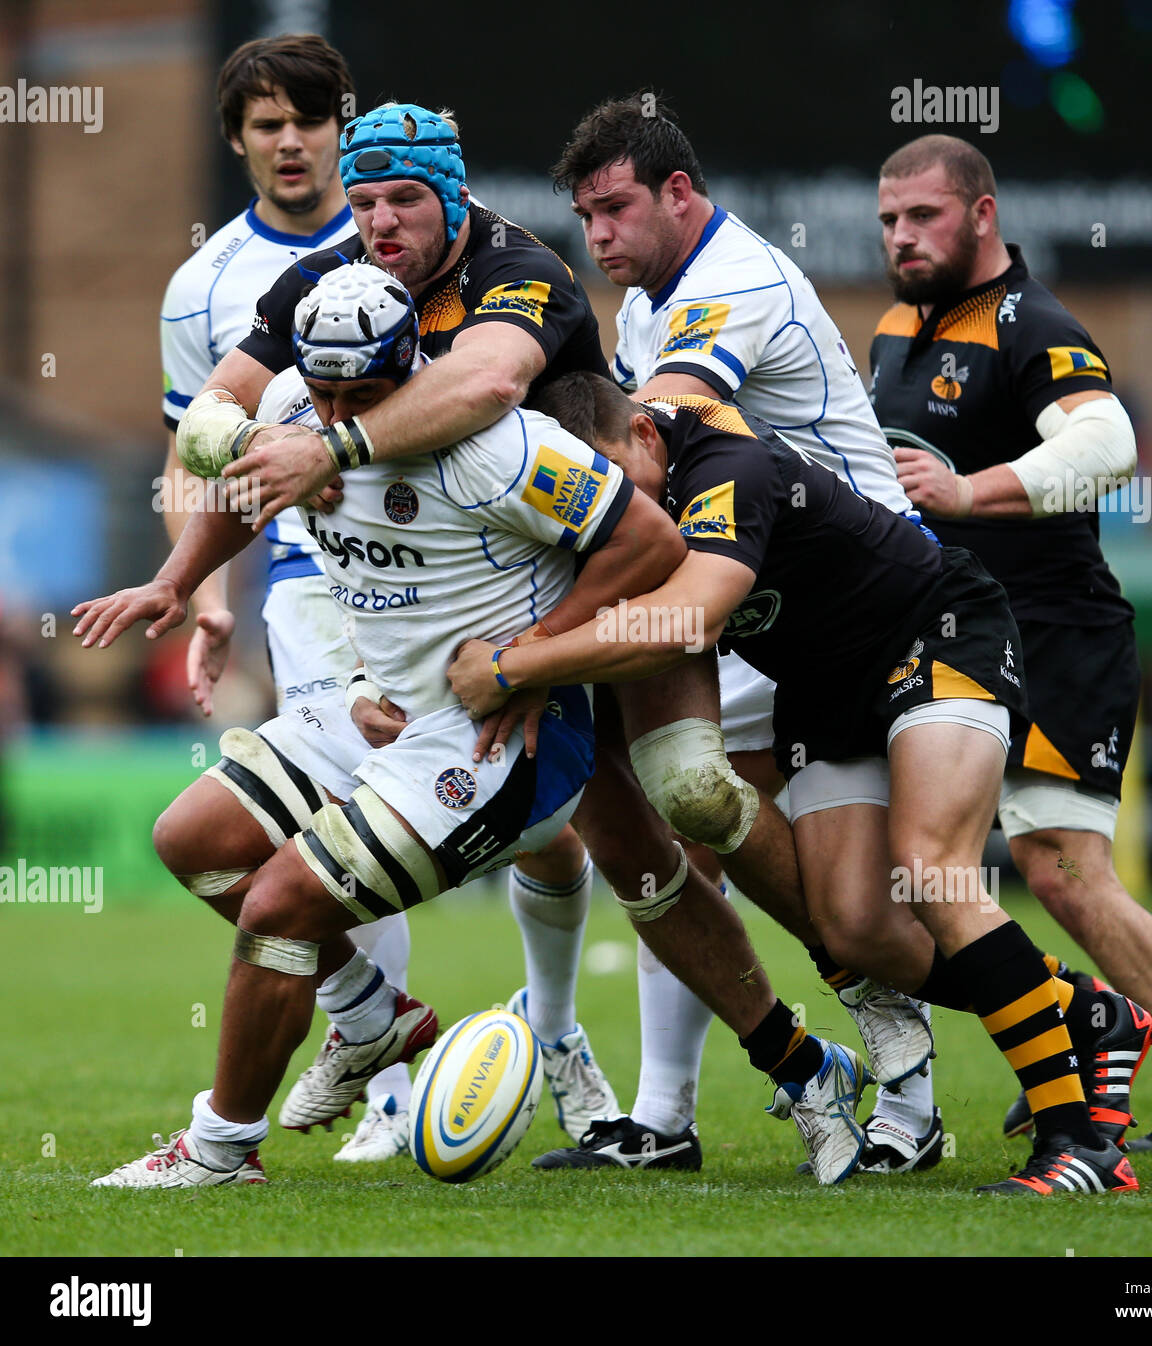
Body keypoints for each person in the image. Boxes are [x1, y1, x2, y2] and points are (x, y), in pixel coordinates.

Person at [450, 372, 1152, 1196]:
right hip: (825, 690)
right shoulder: (611, 492)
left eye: (619, 480)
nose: (613, 507)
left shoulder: (726, 468)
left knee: (930, 868)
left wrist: (515, 665)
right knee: (857, 931)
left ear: (644, 434)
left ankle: (1079, 1148)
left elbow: (692, 617)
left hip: (933, 630)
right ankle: (1087, 1014)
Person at [178, 98, 633, 1148]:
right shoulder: (323, 295)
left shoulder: (519, 286)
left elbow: (490, 383)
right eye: (366, 201)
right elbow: (214, 421)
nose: (380, 221)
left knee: (661, 832)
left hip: (573, 590)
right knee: (208, 845)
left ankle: (637, 1063)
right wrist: (191, 563)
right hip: (406, 623)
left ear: (455, 196)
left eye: (405, 199)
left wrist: (533, 656)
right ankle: (372, 1020)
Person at [535, 94, 938, 1174]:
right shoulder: (646, 300)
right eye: (586, 217)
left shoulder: (733, 282)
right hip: (755, 592)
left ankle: (914, 1086)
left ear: (679, 192)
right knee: (678, 821)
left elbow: (647, 440)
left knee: (834, 877)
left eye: (616, 209)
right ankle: (665, 1114)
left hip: (850, 600)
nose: (599, 236)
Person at [869, 133, 1152, 1157]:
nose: (902, 236)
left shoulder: (1032, 323)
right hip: (948, 637)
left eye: (924, 215)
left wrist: (969, 491)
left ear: (983, 213)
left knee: (1061, 869)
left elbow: (1108, 444)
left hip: (1053, 636)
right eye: (889, 220)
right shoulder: (897, 326)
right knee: (897, 875)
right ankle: (1066, 1026)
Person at [158, 35, 420, 1162]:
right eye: (268, 124)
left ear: (340, 130)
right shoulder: (204, 284)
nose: (292, 141)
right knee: (347, 812)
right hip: (309, 582)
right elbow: (191, 451)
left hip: (431, 567)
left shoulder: (396, 236)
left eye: (310, 120)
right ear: (238, 140)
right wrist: (203, 592)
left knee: (557, 846)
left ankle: (559, 1047)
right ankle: (391, 1080)